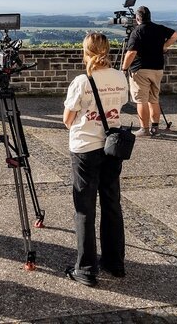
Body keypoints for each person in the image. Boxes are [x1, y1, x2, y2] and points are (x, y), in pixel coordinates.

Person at [63, 32, 129, 286]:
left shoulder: (82, 81)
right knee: (112, 203)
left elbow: (68, 119)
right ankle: (115, 262)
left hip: (85, 147)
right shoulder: (119, 76)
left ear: (86, 51)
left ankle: (86, 268)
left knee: (85, 207)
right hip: (112, 148)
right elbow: (120, 105)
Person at [120, 6, 177, 137]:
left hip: (140, 70)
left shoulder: (137, 32)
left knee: (141, 100)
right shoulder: (159, 28)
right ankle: (155, 128)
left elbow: (131, 52)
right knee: (154, 99)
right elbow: (175, 35)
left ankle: (144, 129)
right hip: (157, 68)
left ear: (137, 18)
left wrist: (124, 69)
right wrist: (164, 46)